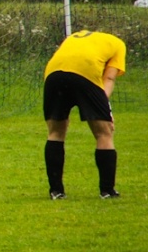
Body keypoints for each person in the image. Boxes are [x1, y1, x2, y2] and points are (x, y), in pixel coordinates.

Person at [42, 30, 126, 200]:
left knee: (55, 132)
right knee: (104, 132)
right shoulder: (118, 44)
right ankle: (107, 191)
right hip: (84, 71)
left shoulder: (75, 36)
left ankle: (56, 191)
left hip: (53, 74)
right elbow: (109, 79)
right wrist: (104, 110)